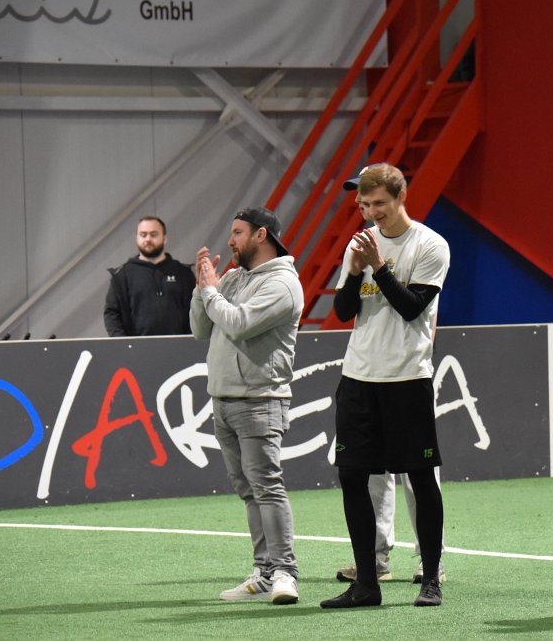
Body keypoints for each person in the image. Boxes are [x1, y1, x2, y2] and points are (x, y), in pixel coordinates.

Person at [320, 163, 450, 609]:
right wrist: (355, 271)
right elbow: (343, 312)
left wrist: (378, 266)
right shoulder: (359, 245)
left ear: (400, 198)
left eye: (379, 203)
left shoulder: (430, 245)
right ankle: (366, 583)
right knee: (352, 476)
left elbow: (412, 308)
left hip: (407, 378)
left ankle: (430, 577)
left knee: (420, 476)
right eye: (364, 204)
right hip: (359, 378)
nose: (371, 212)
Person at [190, 207, 303, 606]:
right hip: (223, 400)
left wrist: (211, 292)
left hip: (260, 400)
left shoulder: (283, 284)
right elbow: (200, 328)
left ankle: (286, 572)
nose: (230, 240)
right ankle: (264, 571)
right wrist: (201, 288)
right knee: (250, 492)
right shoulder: (235, 278)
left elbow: (238, 323)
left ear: (261, 235)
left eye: (237, 232)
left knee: (267, 488)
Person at [104, 216, 195, 336]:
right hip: (135, 347)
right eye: (143, 235)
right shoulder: (122, 276)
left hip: (178, 345)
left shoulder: (183, 273)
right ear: (136, 238)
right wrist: (123, 343)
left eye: (153, 234)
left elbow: (195, 310)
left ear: (165, 238)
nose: (148, 239)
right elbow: (111, 314)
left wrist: (188, 341)